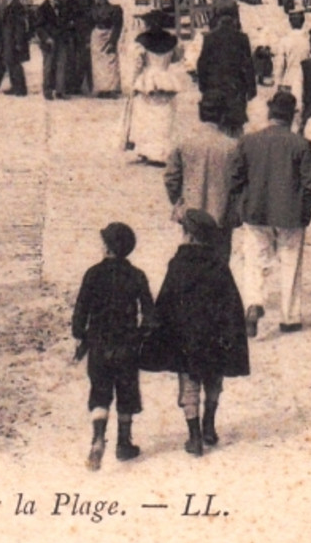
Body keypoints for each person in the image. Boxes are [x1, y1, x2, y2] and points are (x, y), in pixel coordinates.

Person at [145, 208, 249, 457]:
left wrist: (157, 328)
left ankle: (194, 437)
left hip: (187, 339)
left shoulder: (178, 264)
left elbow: (166, 299)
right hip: (215, 337)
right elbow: (232, 302)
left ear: (189, 236)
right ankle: (209, 426)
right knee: (214, 380)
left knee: (189, 385)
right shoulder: (219, 265)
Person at [230, 90, 311, 336]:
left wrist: (241, 204)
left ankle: (253, 302)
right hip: (290, 213)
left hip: (256, 210)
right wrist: (304, 207)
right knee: (291, 261)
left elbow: (235, 178)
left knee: (253, 261)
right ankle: (289, 316)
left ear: (269, 112)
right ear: (292, 116)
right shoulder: (301, 144)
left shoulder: (249, 141)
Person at [71, 222, 155, 469]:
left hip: (98, 344)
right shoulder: (137, 275)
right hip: (127, 345)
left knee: (100, 392)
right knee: (126, 394)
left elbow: (80, 310)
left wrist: (80, 335)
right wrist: (141, 335)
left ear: (107, 248)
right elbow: (149, 313)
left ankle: (98, 439)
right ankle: (123, 443)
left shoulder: (93, 274)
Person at [164, 97, 241, 265]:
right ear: (222, 117)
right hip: (222, 214)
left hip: (191, 213)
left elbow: (171, 178)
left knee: (190, 260)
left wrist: (179, 202)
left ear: (200, 114)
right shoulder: (233, 147)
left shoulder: (185, 143)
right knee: (219, 264)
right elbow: (239, 183)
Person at [120, 9, 187, 164]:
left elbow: (137, 64)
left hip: (148, 78)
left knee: (146, 115)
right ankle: (162, 151)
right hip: (165, 77)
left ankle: (147, 150)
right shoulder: (172, 40)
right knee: (165, 115)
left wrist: (133, 82)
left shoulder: (142, 40)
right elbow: (177, 58)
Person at [196, 2, 257, 133]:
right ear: (235, 18)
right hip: (235, 90)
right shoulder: (241, 38)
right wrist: (251, 89)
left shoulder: (209, 38)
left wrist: (203, 87)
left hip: (214, 89)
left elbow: (202, 64)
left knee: (214, 127)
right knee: (235, 128)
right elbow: (248, 65)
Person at [0, 0, 30, 96]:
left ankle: (20, 89)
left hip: (14, 39)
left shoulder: (16, 6)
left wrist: (19, 42)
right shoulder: (10, 6)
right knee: (10, 62)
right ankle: (14, 86)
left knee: (15, 63)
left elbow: (20, 25)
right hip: (8, 38)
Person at [35, 0, 67, 99]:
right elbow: (38, 26)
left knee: (61, 65)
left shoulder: (63, 6)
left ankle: (60, 91)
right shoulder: (43, 8)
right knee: (48, 66)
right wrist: (46, 38)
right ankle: (47, 91)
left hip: (61, 40)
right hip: (49, 42)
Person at [89, 0, 124, 97]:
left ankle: (111, 88)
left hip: (108, 34)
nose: (95, 0)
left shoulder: (114, 9)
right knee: (98, 64)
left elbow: (118, 26)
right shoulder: (93, 9)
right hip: (97, 36)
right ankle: (101, 88)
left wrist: (113, 40)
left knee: (110, 61)